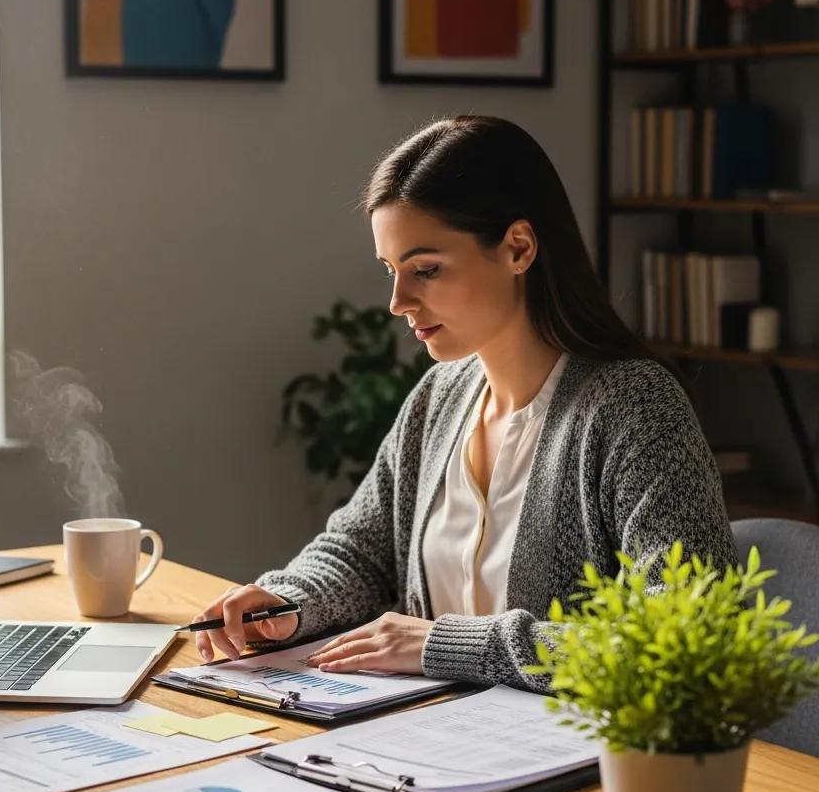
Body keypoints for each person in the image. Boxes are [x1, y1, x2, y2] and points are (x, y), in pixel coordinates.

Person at [191, 115, 735, 689]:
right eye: (391, 270)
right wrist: (286, 603)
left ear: (518, 248)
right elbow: (361, 549)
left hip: (579, 762)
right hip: (434, 745)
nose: (399, 301)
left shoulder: (635, 409)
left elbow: (685, 640)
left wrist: (448, 645)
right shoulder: (441, 396)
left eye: (426, 269)